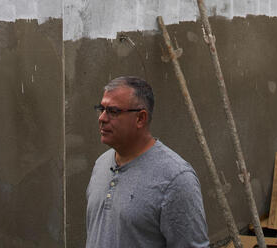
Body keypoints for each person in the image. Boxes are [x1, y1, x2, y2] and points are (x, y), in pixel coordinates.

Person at [85, 76, 209, 248]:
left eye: (113, 111)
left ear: (140, 118)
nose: (102, 118)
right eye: (101, 109)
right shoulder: (101, 164)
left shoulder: (176, 179)